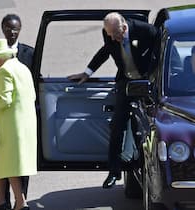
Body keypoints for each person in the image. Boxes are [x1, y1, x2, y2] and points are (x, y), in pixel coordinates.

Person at [68, 12, 159, 188]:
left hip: (147, 80)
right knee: (117, 125)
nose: (113, 39)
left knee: (151, 121)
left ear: (124, 28)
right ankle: (114, 171)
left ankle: (149, 164)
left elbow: (159, 52)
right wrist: (87, 73)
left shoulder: (146, 31)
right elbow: (106, 51)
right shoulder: (109, 33)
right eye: (109, 35)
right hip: (126, 81)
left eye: (115, 35)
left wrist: (153, 75)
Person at [0, 38, 37, 210]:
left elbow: (4, 99)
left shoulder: (4, 71)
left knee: (9, 164)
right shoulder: (21, 67)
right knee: (7, 164)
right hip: (23, 125)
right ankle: (6, 201)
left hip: (10, 126)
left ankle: (19, 202)